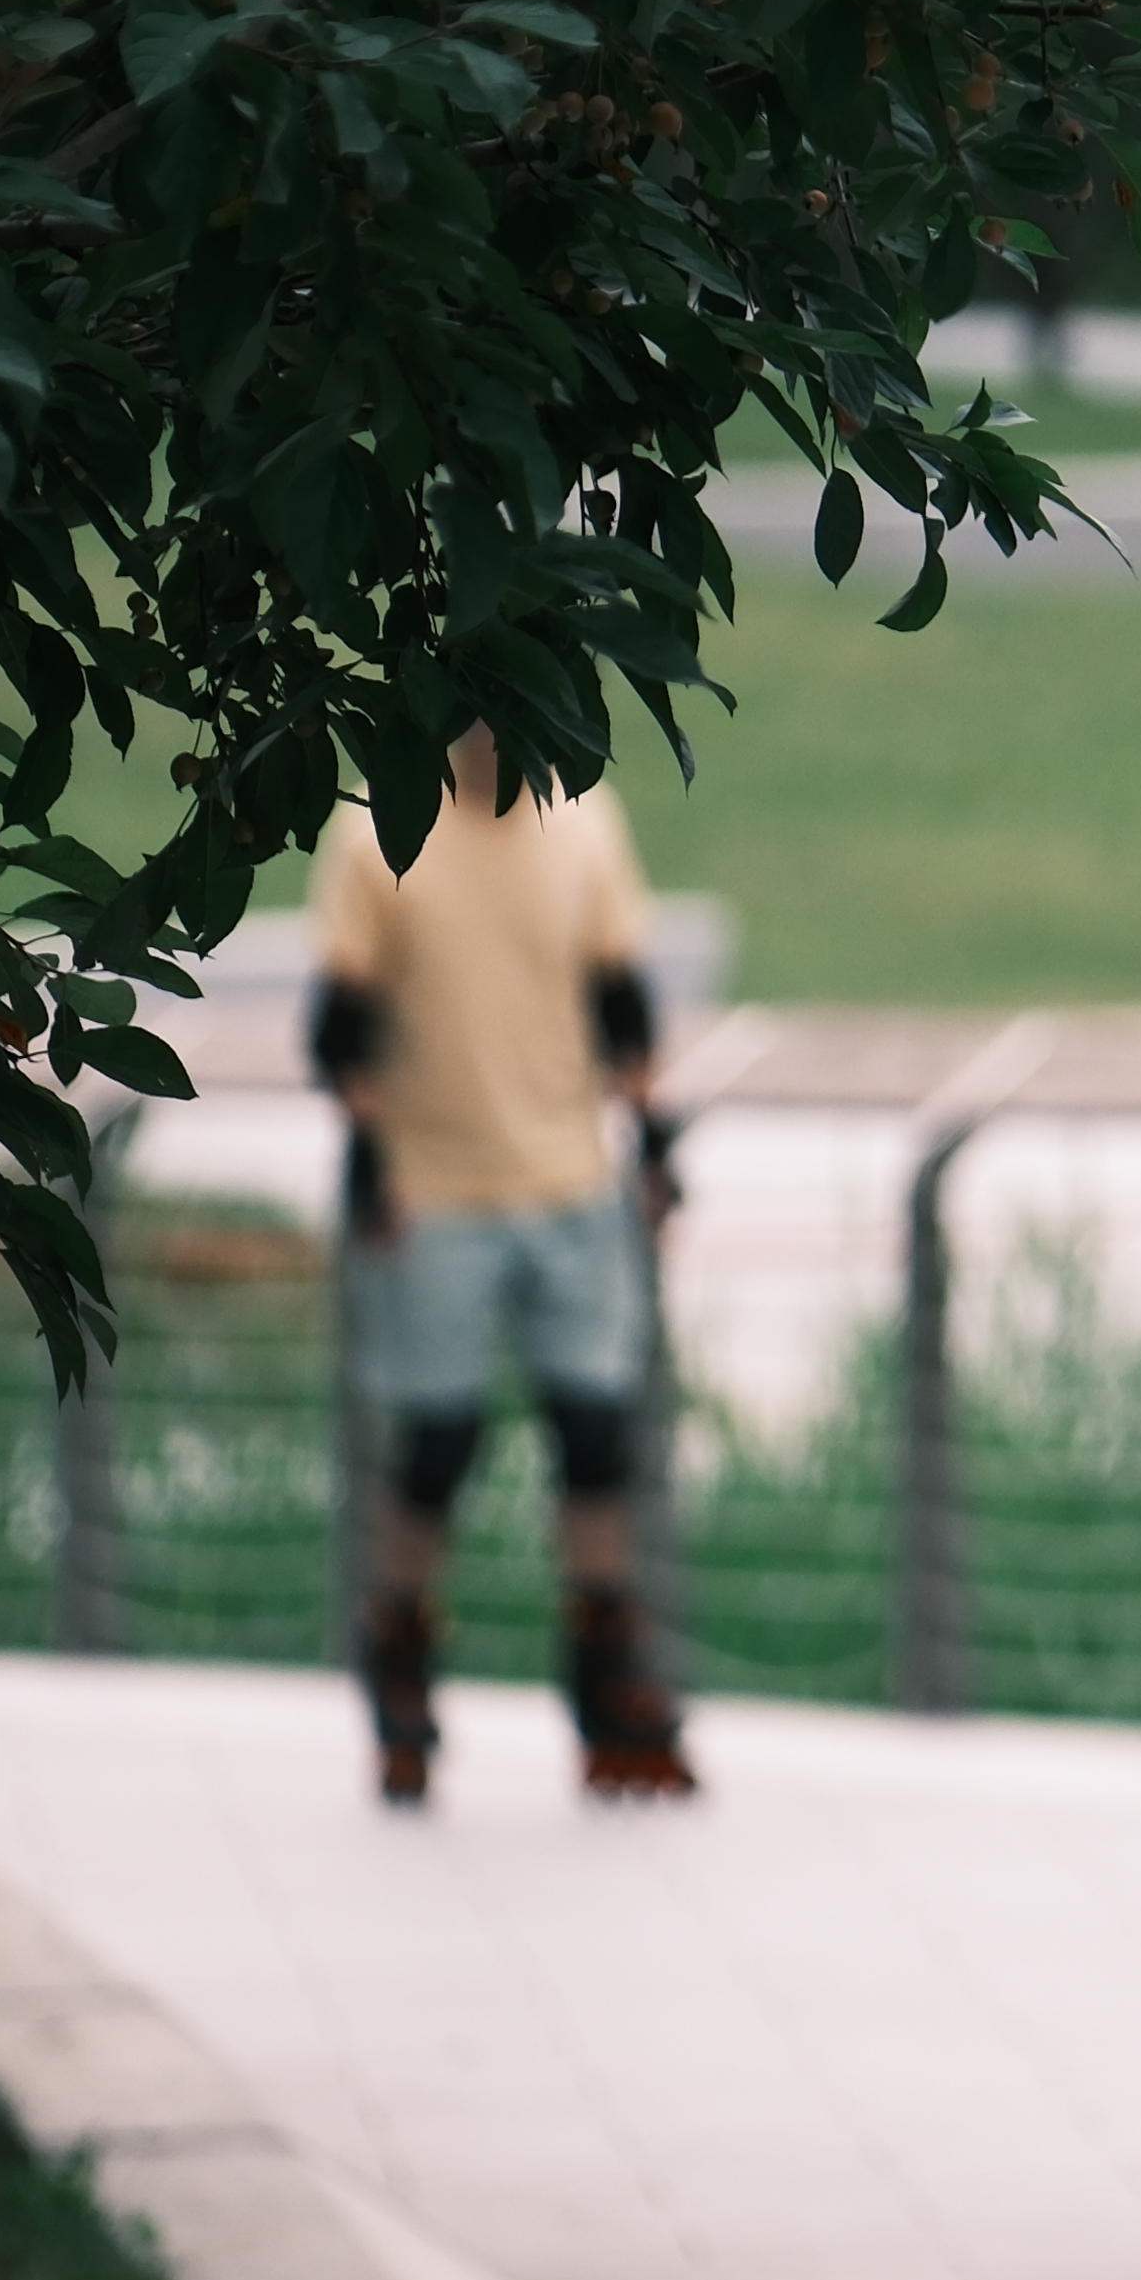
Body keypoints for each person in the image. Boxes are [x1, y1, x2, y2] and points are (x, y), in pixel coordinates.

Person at [313, 729, 697, 1804]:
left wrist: (656, 1142)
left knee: (597, 1430)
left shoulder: (582, 820)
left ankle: (607, 1669)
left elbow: (622, 1005)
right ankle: (398, 1661)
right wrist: (368, 1158)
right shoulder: (376, 831)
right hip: (432, 1192)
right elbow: (340, 1028)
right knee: (437, 1443)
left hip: (571, 1182)